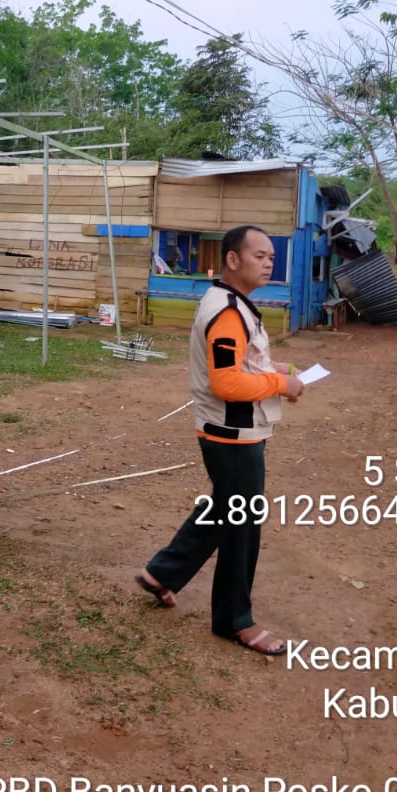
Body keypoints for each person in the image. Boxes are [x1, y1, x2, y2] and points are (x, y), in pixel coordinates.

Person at [135, 225, 303, 655]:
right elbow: (227, 383)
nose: (269, 263)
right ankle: (234, 620)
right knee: (242, 525)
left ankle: (163, 572)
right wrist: (281, 385)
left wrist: (283, 371)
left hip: (233, 431)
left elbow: (245, 364)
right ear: (232, 259)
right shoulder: (227, 311)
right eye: (259, 256)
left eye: (271, 257)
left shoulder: (235, 304)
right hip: (232, 436)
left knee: (226, 507)